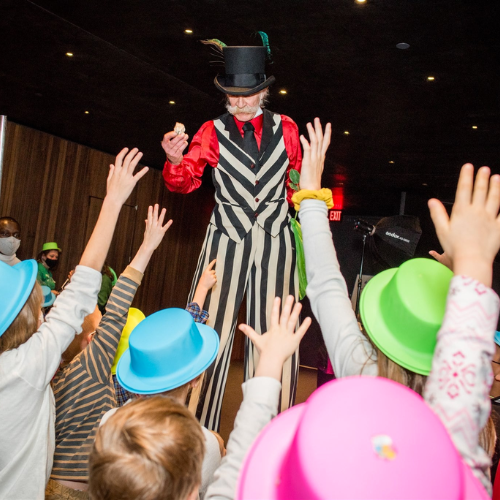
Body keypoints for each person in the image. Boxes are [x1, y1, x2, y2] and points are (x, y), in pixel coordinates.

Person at [162, 36, 302, 430]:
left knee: (275, 332)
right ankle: (192, 429)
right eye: (232, 95)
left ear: (265, 91)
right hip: (226, 237)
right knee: (209, 330)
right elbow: (185, 181)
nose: (239, 103)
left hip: (276, 239)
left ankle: (270, 433)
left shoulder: (287, 129)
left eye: (248, 94)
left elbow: (296, 185)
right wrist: (175, 159)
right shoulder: (210, 131)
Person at [0, 147, 148, 500]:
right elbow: (83, 284)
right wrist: (112, 202)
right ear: (31, 319)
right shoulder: (25, 368)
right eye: (41, 309)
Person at [88, 295, 311, 500]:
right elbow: (237, 467)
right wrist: (271, 359)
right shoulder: (202, 445)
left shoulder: (109, 423)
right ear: (195, 378)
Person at [45, 204, 172, 499]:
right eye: (97, 317)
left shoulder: (54, 373)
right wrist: (147, 246)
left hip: (49, 481)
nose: (104, 317)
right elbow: (117, 309)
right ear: (91, 339)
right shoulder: (90, 367)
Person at [111, 259, 218, 408]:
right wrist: (203, 287)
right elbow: (187, 332)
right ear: (195, 379)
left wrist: (202, 287)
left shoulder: (114, 400)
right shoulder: (196, 432)